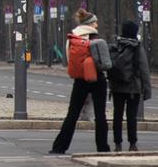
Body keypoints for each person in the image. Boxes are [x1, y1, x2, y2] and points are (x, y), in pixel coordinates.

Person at [50, 9, 112, 153]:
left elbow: (68, 59)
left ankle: (59, 147)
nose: (97, 24)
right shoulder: (95, 37)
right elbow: (104, 63)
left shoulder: (72, 37)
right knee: (100, 115)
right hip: (96, 78)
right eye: (95, 22)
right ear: (90, 23)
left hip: (79, 80)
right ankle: (102, 147)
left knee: (72, 114)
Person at [110, 20, 152, 152]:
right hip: (133, 87)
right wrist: (147, 90)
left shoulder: (116, 45)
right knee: (131, 116)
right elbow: (144, 69)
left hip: (117, 86)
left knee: (117, 115)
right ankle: (132, 144)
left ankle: (117, 144)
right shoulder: (137, 47)